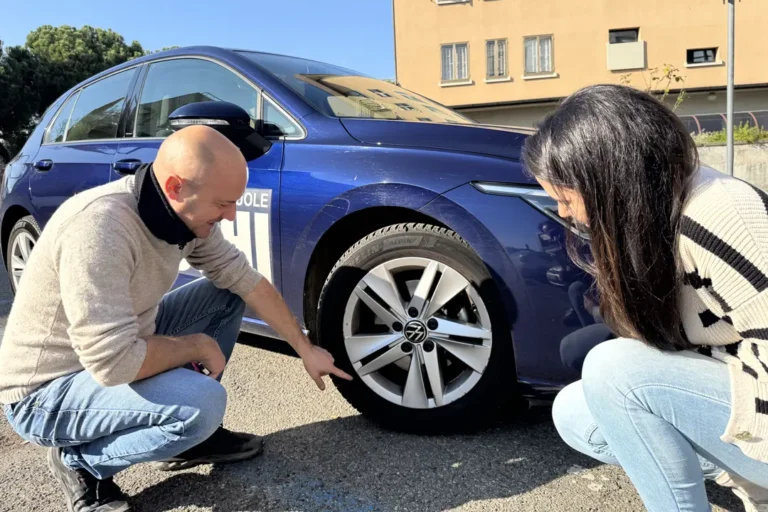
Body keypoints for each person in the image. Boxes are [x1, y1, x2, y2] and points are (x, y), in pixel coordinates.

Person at [0, 125, 352, 512]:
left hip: (122, 344)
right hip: (46, 392)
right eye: (223, 204)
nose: (231, 216)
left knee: (225, 296)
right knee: (202, 404)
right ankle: (80, 462)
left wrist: (305, 348)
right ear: (175, 187)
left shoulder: (184, 217)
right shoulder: (100, 230)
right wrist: (196, 345)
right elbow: (113, 364)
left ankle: (186, 439)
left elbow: (245, 281)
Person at [522, 84, 768, 512]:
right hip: (739, 386)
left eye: (564, 197)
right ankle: (746, 475)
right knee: (576, 412)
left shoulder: (722, 211)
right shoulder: (658, 213)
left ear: (610, 176)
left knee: (612, 370)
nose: (561, 212)